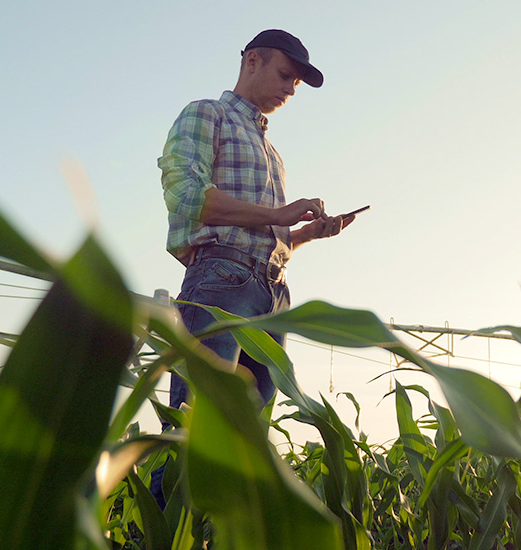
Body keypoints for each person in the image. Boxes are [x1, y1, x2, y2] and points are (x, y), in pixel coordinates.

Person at [152, 29, 355, 506]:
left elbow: (264, 238)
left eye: (297, 84)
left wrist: (304, 235)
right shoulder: (208, 114)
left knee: (245, 446)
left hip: (271, 292)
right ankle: (160, 534)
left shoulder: (272, 152)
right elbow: (185, 196)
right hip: (220, 282)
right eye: (286, 75)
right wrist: (278, 215)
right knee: (193, 427)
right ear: (252, 61)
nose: (290, 89)